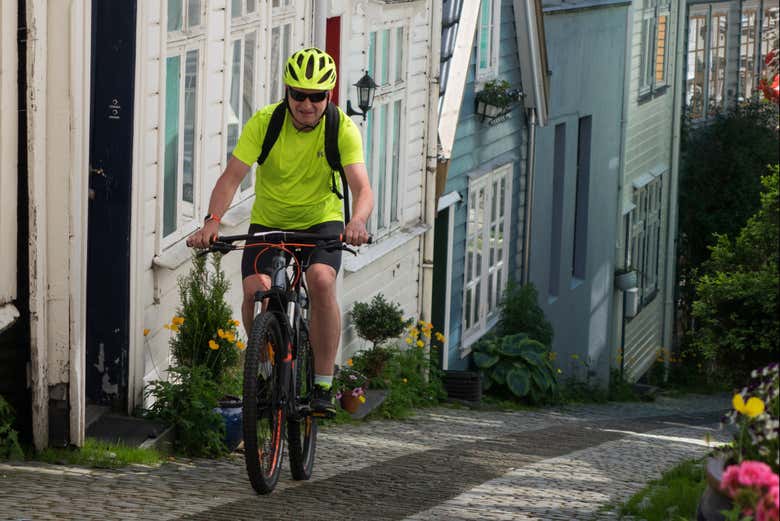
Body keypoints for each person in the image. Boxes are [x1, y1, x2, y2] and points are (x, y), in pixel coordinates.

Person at [187, 48, 373, 415]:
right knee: (257, 288)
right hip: (270, 222)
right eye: (298, 94)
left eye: (316, 96)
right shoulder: (265, 123)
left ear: (329, 96)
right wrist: (212, 220)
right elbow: (231, 179)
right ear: (286, 92)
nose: (307, 104)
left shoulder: (342, 129)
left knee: (320, 280)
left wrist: (357, 222)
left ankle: (322, 385)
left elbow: (362, 188)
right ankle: (267, 361)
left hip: (322, 222)